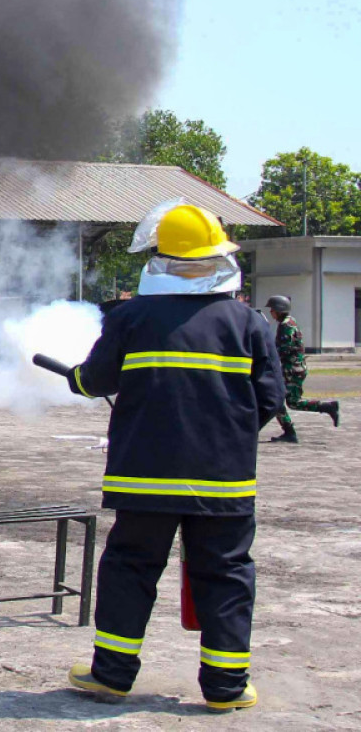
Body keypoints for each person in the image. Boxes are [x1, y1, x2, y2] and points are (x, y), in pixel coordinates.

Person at [62, 203, 284, 713]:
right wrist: (226, 439)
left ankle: (111, 676)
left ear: (160, 258)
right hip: (223, 482)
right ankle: (227, 688)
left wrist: (76, 378)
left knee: (130, 568)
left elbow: (96, 381)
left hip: (144, 479)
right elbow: (270, 399)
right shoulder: (249, 323)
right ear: (218, 257)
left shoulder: (133, 316)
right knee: (226, 574)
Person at [265, 295, 339, 443]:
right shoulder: (290, 322)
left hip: (291, 369)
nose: (271, 313)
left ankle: (289, 432)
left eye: (272, 309)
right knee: (293, 402)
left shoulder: (286, 326)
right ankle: (327, 407)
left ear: (279, 310)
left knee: (277, 400)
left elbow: (283, 349)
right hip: (295, 368)